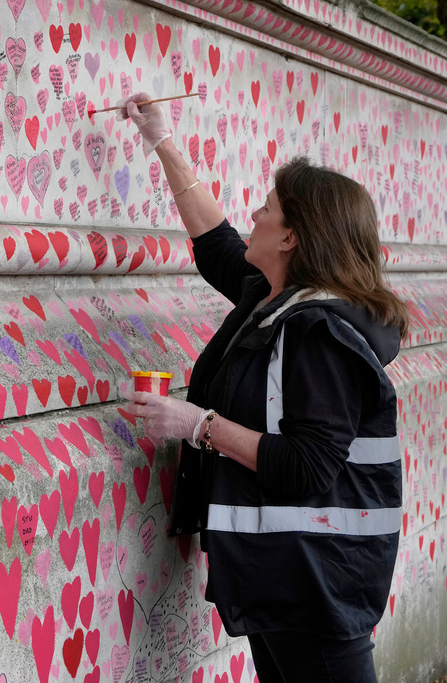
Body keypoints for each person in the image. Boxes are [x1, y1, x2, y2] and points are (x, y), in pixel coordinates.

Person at [116, 93, 409, 683]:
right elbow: (215, 239)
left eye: (268, 209)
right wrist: (162, 140)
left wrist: (195, 425)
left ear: (292, 238)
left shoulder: (318, 333)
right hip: (287, 576)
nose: (254, 212)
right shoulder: (272, 296)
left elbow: (308, 466)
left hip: (319, 587)